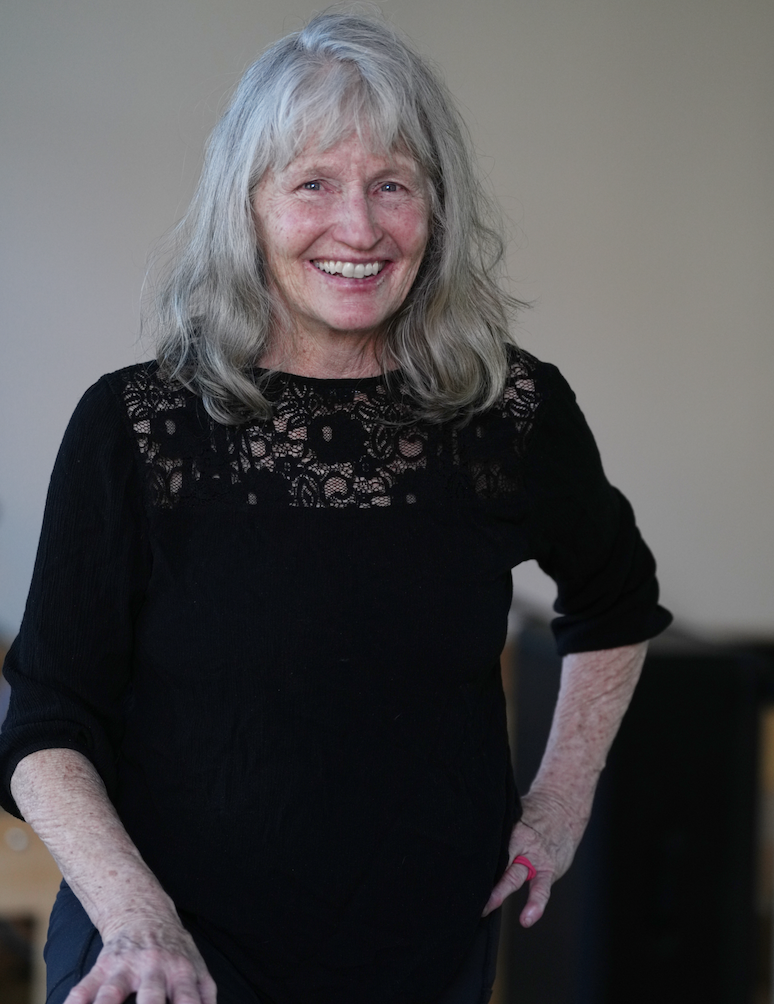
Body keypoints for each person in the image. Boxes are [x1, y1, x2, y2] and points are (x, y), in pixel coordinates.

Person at [0, 10, 672, 1004]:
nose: (357, 228)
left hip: (416, 948)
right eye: (312, 183)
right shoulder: (135, 426)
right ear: (247, 206)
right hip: (164, 946)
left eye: (392, 184)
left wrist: (559, 806)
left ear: (436, 209)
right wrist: (139, 921)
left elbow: (614, 601)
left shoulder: (509, 413)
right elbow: (45, 717)